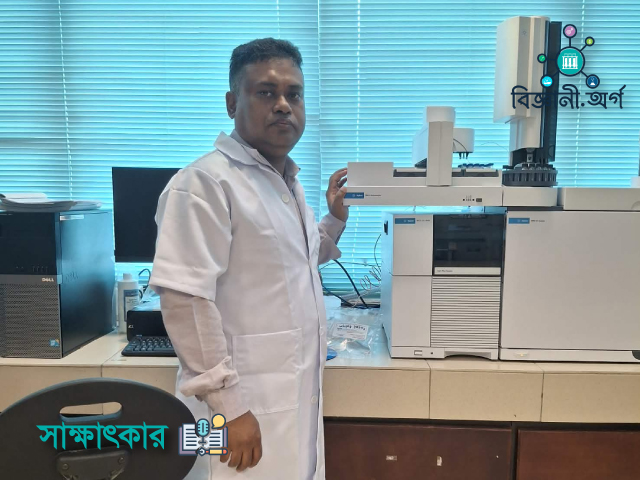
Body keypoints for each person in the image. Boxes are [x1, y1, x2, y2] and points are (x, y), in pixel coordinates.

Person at [149, 38, 349, 480]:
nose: (283, 105)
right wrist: (229, 409)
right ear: (231, 103)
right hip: (235, 414)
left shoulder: (287, 183)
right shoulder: (203, 183)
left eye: (294, 94)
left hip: (287, 402)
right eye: (265, 92)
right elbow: (185, 300)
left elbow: (294, 261)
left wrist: (334, 219)